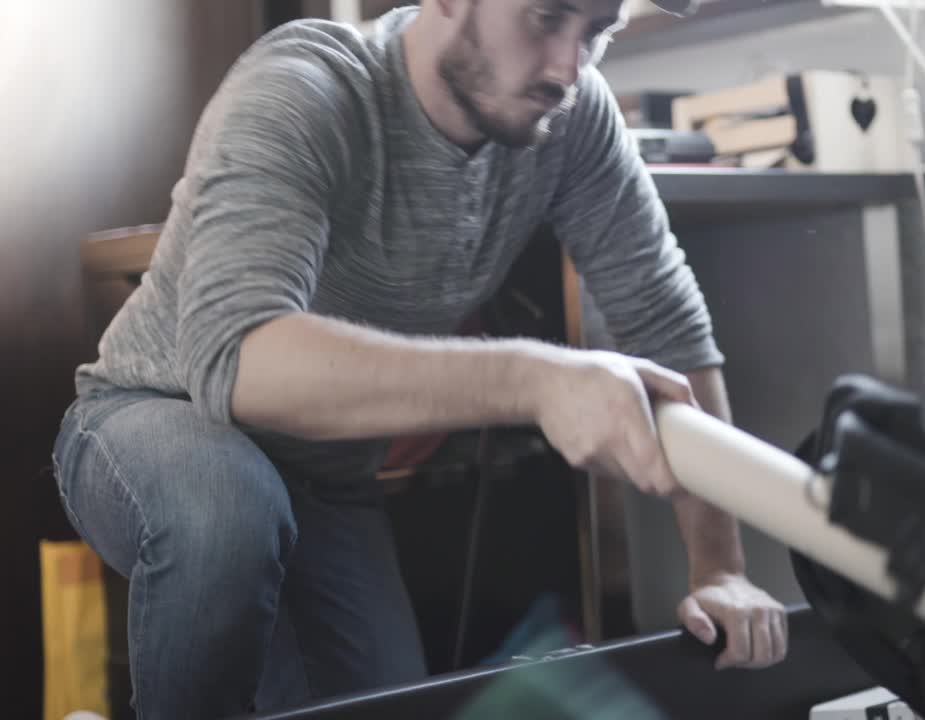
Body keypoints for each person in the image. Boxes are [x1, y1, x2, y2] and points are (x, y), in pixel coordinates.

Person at [51, 0, 788, 717]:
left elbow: (665, 325)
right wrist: (535, 380)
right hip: (152, 413)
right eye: (546, 17)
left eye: (596, 31)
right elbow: (238, 358)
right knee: (225, 511)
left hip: (325, 480)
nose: (568, 66)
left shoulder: (575, 117)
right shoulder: (305, 85)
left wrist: (720, 568)